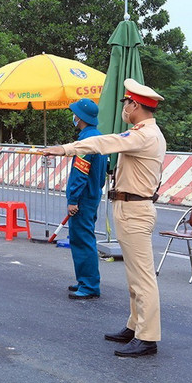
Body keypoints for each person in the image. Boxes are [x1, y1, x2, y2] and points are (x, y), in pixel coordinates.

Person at [42, 78, 167, 358]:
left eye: (126, 103)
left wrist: (66, 148)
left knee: (142, 278)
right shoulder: (143, 133)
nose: (124, 107)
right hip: (129, 208)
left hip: (136, 210)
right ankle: (135, 326)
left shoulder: (143, 135)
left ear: (135, 104)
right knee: (135, 276)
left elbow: (106, 142)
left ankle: (147, 337)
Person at [64, 99, 108, 301]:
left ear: (79, 117)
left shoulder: (86, 142)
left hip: (82, 198)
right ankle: (84, 279)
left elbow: (80, 174)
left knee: (82, 240)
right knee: (83, 238)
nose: (73, 116)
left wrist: (73, 200)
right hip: (92, 195)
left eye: (74, 113)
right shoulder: (97, 138)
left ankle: (89, 285)